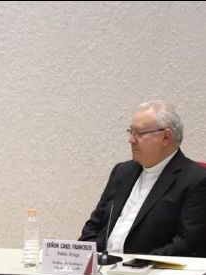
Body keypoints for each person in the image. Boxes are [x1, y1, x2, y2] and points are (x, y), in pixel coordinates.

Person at [79, 101, 206, 257]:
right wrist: (84, 257)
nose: (131, 140)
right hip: (102, 272)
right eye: (131, 132)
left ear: (166, 137)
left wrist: (136, 264)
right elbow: (94, 225)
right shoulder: (122, 172)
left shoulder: (196, 180)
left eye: (139, 133)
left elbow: (187, 245)